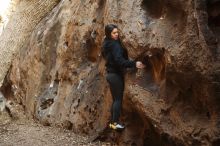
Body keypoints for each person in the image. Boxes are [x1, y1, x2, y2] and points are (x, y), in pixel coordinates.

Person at [101, 24, 145, 130]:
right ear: (109, 34)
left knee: (115, 99)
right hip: (115, 75)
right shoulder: (114, 45)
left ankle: (112, 123)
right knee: (118, 100)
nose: (117, 35)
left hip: (110, 74)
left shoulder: (106, 43)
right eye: (114, 33)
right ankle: (115, 123)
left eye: (117, 32)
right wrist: (134, 64)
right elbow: (119, 61)